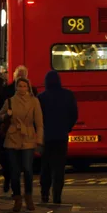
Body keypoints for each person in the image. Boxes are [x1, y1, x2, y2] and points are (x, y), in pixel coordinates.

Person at [0, 78, 43, 212]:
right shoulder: (10, 101)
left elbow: (39, 123)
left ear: (28, 88)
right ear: (16, 87)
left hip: (28, 136)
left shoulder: (34, 101)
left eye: (24, 86)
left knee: (28, 169)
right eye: (20, 86)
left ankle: (28, 196)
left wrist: (39, 139)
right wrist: (6, 116)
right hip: (13, 136)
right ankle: (17, 198)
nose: (22, 88)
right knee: (14, 171)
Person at [0, 66, 36, 196]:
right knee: (12, 164)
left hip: (26, 134)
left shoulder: (32, 93)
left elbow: (37, 116)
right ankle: (15, 190)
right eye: (19, 75)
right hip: (10, 133)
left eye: (23, 75)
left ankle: (24, 193)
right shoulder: (7, 91)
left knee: (24, 167)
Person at [38, 70, 78, 204]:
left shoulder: (41, 97)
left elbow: (37, 119)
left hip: (46, 137)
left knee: (46, 167)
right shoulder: (68, 95)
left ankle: (44, 194)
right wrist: (67, 127)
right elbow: (74, 114)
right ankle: (57, 196)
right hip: (61, 136)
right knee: (59, 168)